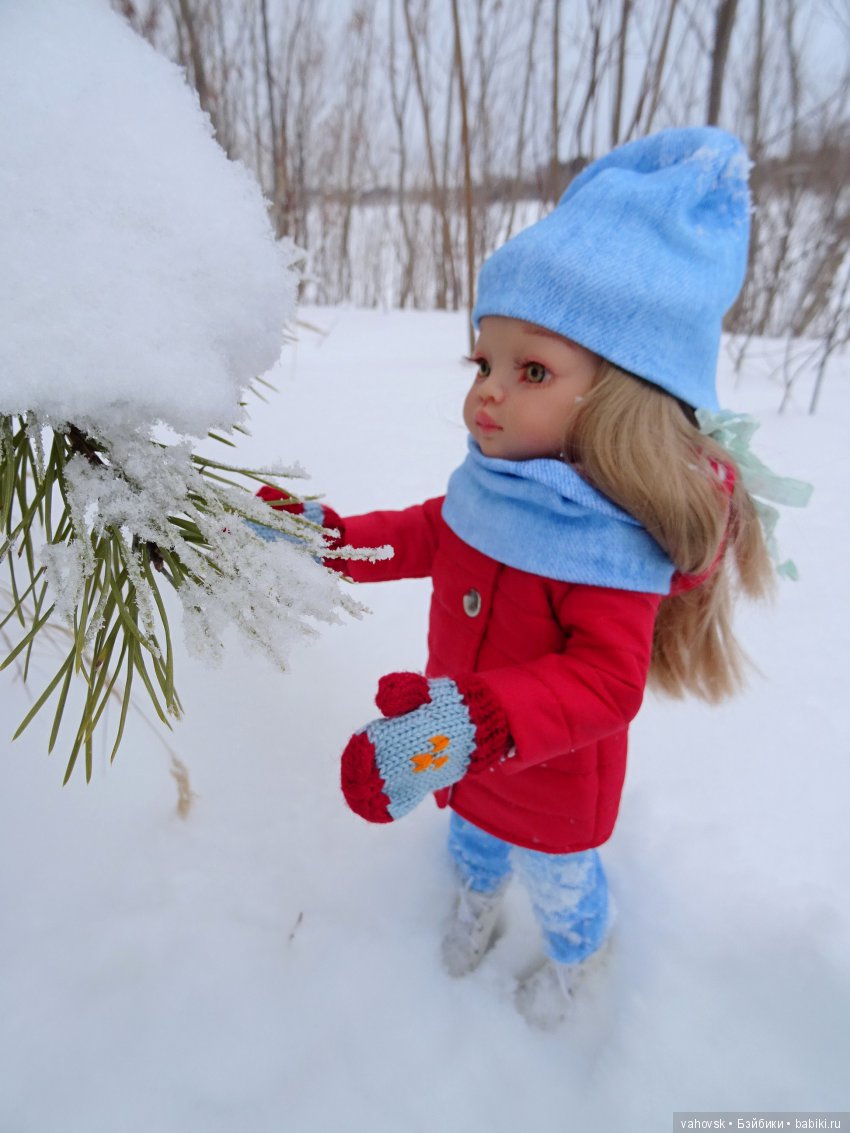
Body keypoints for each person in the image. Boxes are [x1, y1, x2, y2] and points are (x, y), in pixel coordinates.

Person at [256, 127, 809, 1029]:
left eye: (533, 369)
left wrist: (466, 724)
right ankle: (476, 902)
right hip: (463, 760)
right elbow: (421, 534)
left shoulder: (614, 549)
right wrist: (329, 540)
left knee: (562, 889)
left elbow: (606, 683)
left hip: (550, 787)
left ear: (621, 397)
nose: (489, 390)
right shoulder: (492, 490)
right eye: (484, 362)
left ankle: (579, 962)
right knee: (471, 848)